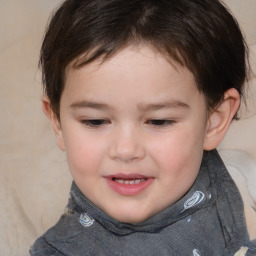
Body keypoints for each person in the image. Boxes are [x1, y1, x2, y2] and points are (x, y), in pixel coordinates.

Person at [30, 0, 256, 255]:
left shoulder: (245, 186)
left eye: (159, 121)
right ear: (57, 122)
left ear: (214, 120)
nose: (126, 150)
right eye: (95, 121)